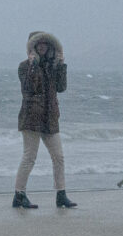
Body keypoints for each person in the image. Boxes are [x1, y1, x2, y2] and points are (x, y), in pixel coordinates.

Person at [13, 31, 77, 209]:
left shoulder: (52, 66)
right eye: (39, 44)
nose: (42, 47)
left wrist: (61, 65)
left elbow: (61, 88)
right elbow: (29, 88)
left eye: (45, 44)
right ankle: (19, 194)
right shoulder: (24, 66)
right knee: (29, 157)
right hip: (31, 118)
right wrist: (33, 65)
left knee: (59, 157)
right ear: (32, 47)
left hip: (50, 119)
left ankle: (61, 194)